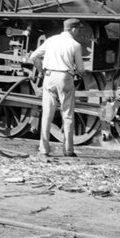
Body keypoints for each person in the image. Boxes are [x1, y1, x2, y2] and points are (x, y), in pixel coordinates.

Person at [29, 18, 84, 157]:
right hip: (65, 78)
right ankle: (68, 150)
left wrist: (42, 71)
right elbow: (81, 70)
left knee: (47, 114)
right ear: (72, 29)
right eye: (78, 29)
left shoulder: (51, 40)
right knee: (67, 115)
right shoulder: (75, 45)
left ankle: (44, 149)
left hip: (49, 77)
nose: (79, 31)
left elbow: (34, 57)